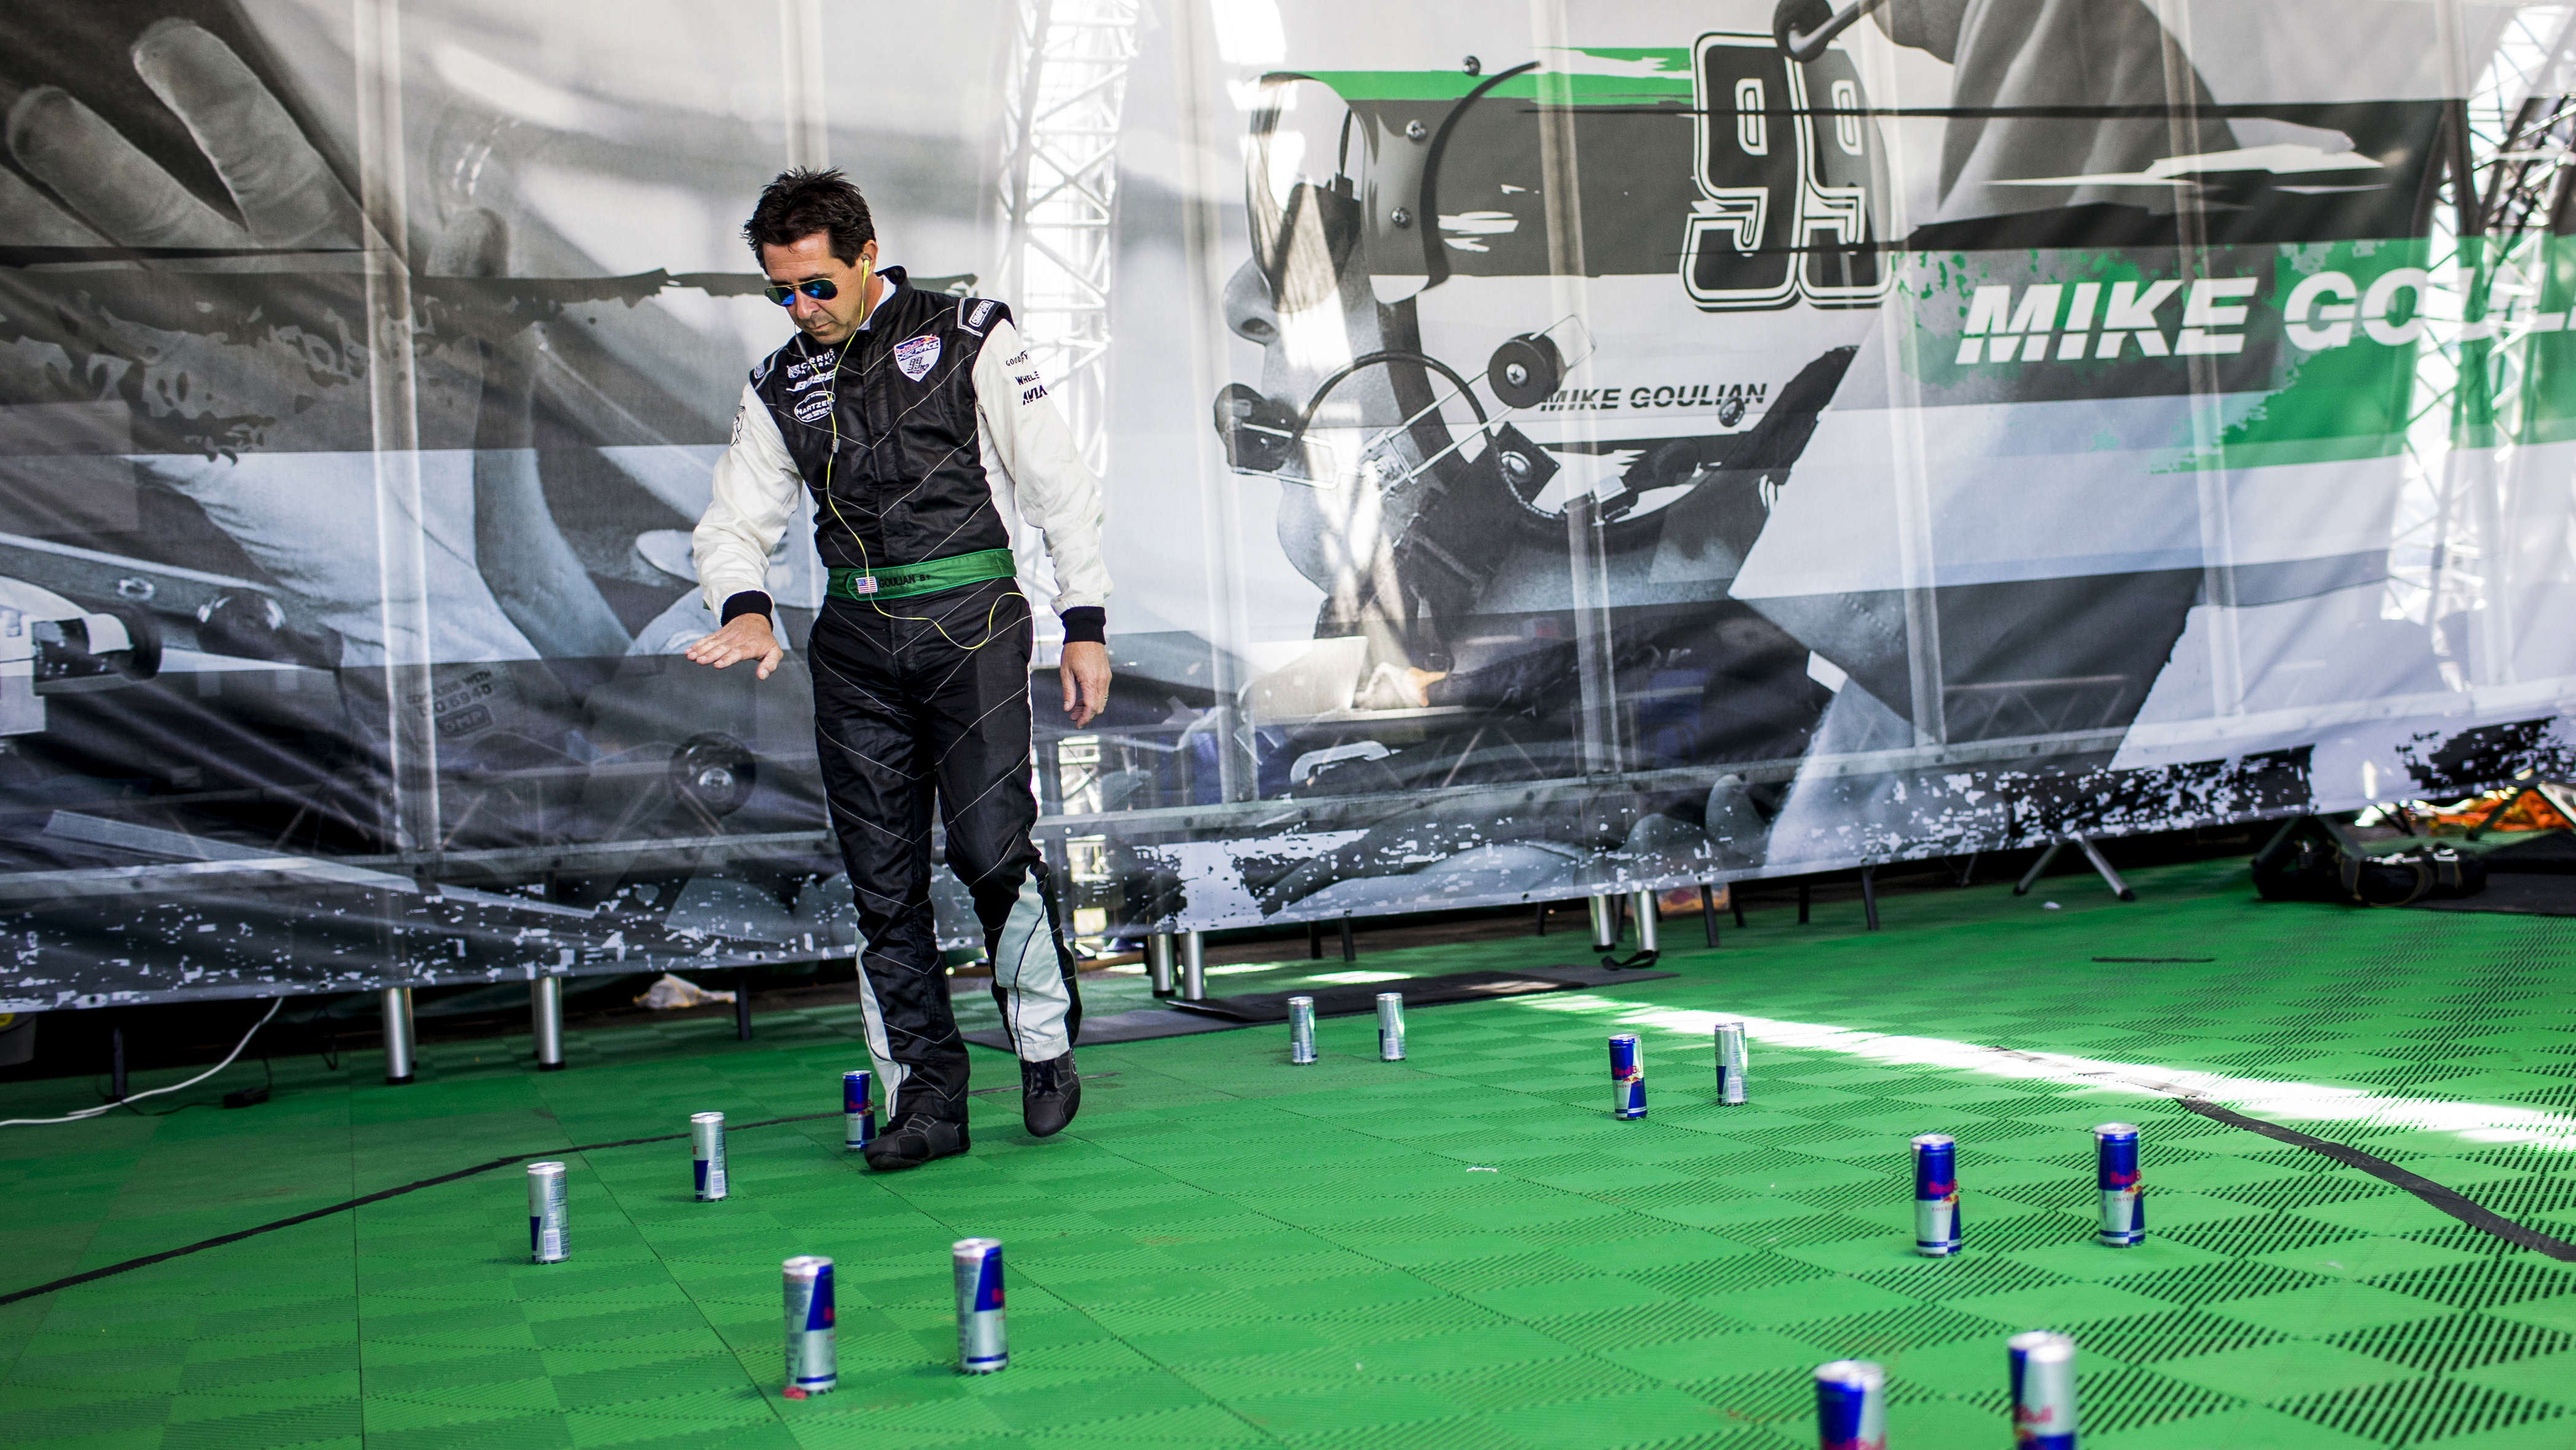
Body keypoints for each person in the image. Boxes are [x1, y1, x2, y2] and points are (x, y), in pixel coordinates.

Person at [687, 168, 1112, 1170]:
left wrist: (1084, 621)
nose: (801, 309)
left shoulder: (968, 332)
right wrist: (746, 609)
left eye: (817, 287)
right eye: (781, 292)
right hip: (855, 648)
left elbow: (1057, 482)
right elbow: (733, 521)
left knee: (988, 850)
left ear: (866, 257)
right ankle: (925, 1099)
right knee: (882, 884)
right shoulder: (779, 382)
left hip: (972, 623)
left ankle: (1043, 1044)